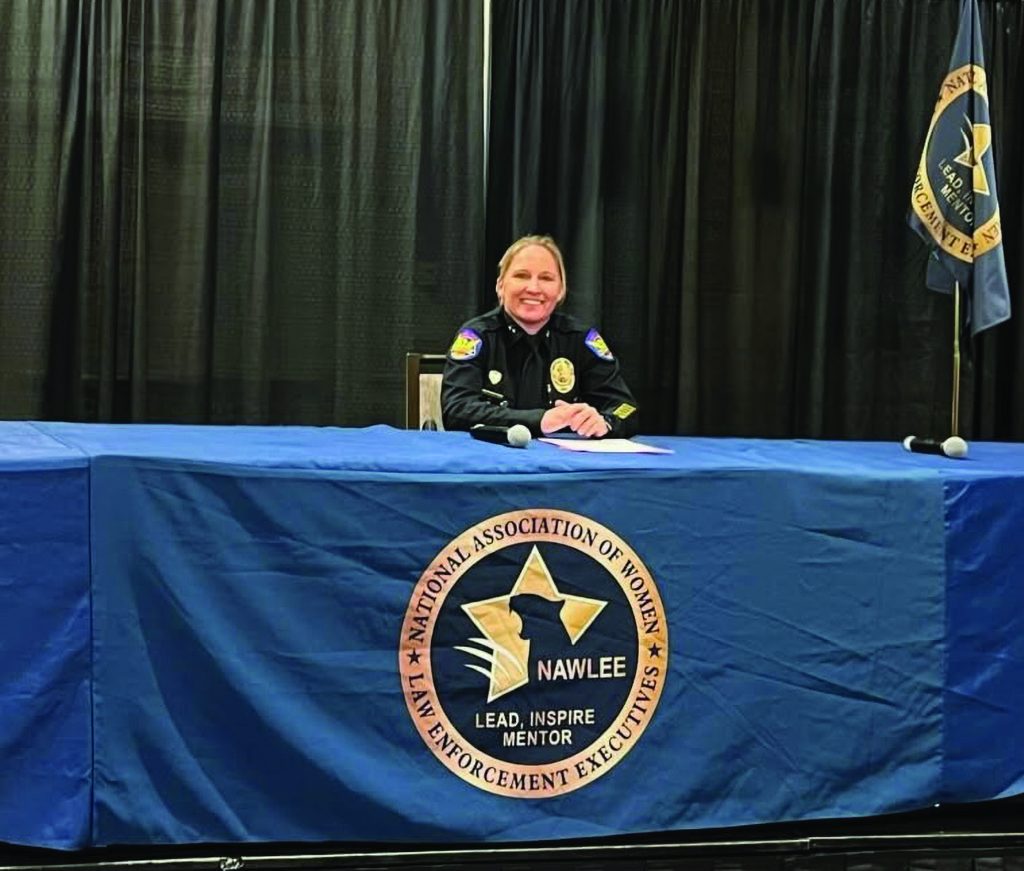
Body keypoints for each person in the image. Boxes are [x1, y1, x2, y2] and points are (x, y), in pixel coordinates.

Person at [441, 235, 638, 438]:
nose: (534, 288)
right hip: (492, 460)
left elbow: (627, 408)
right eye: (521, 276)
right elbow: (456, 410)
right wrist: (540, 421)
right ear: (500, 285)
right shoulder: (477, 337)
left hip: (566, 463)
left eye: (546, 278)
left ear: (560, 290)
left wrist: (606, 421)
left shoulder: (580, 339)